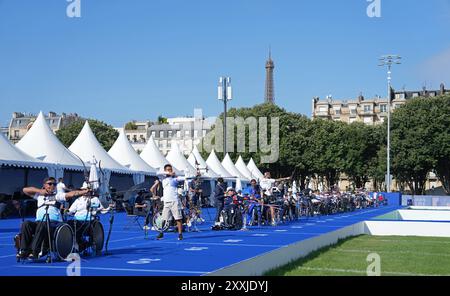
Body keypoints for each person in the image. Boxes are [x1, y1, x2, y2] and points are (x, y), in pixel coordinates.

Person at [18, 177, 89, 259]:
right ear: (44, 185)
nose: (52, 186)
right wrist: (40, 191)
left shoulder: (58, 196)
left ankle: (34, 251)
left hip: (54, 223)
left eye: (54, 184)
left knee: (44, 224)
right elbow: (25, 190)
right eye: (50, 184)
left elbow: (71, 194)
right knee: (26, 224)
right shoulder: (39, 196)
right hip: (39, 222)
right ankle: (24, 251)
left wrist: (84, 191)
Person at [66, 187, 112, 252]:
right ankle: (78, 244)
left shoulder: (95, 199)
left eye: (87, 190)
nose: (86, 191)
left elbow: (102, 210)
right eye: (84, 190)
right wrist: (65, 210)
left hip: (89, 221)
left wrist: (109, 207)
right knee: (68, 224)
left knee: (79, 227)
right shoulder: (78, 200)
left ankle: (82, 244)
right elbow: (70, 211)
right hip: (76, 220)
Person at [156, 164, 185, 241]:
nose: (170, 171)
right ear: (165, 170)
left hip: (174, 201)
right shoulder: (163, 178)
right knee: (164, 219)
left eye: (170, 169)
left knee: (178, 218)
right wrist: (168, 173)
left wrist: (195, 176)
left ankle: (180, 234)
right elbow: (157, 173)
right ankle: (161, 233)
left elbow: (184, 178)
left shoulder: (175, 179)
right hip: (166, 202)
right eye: (168, 169)